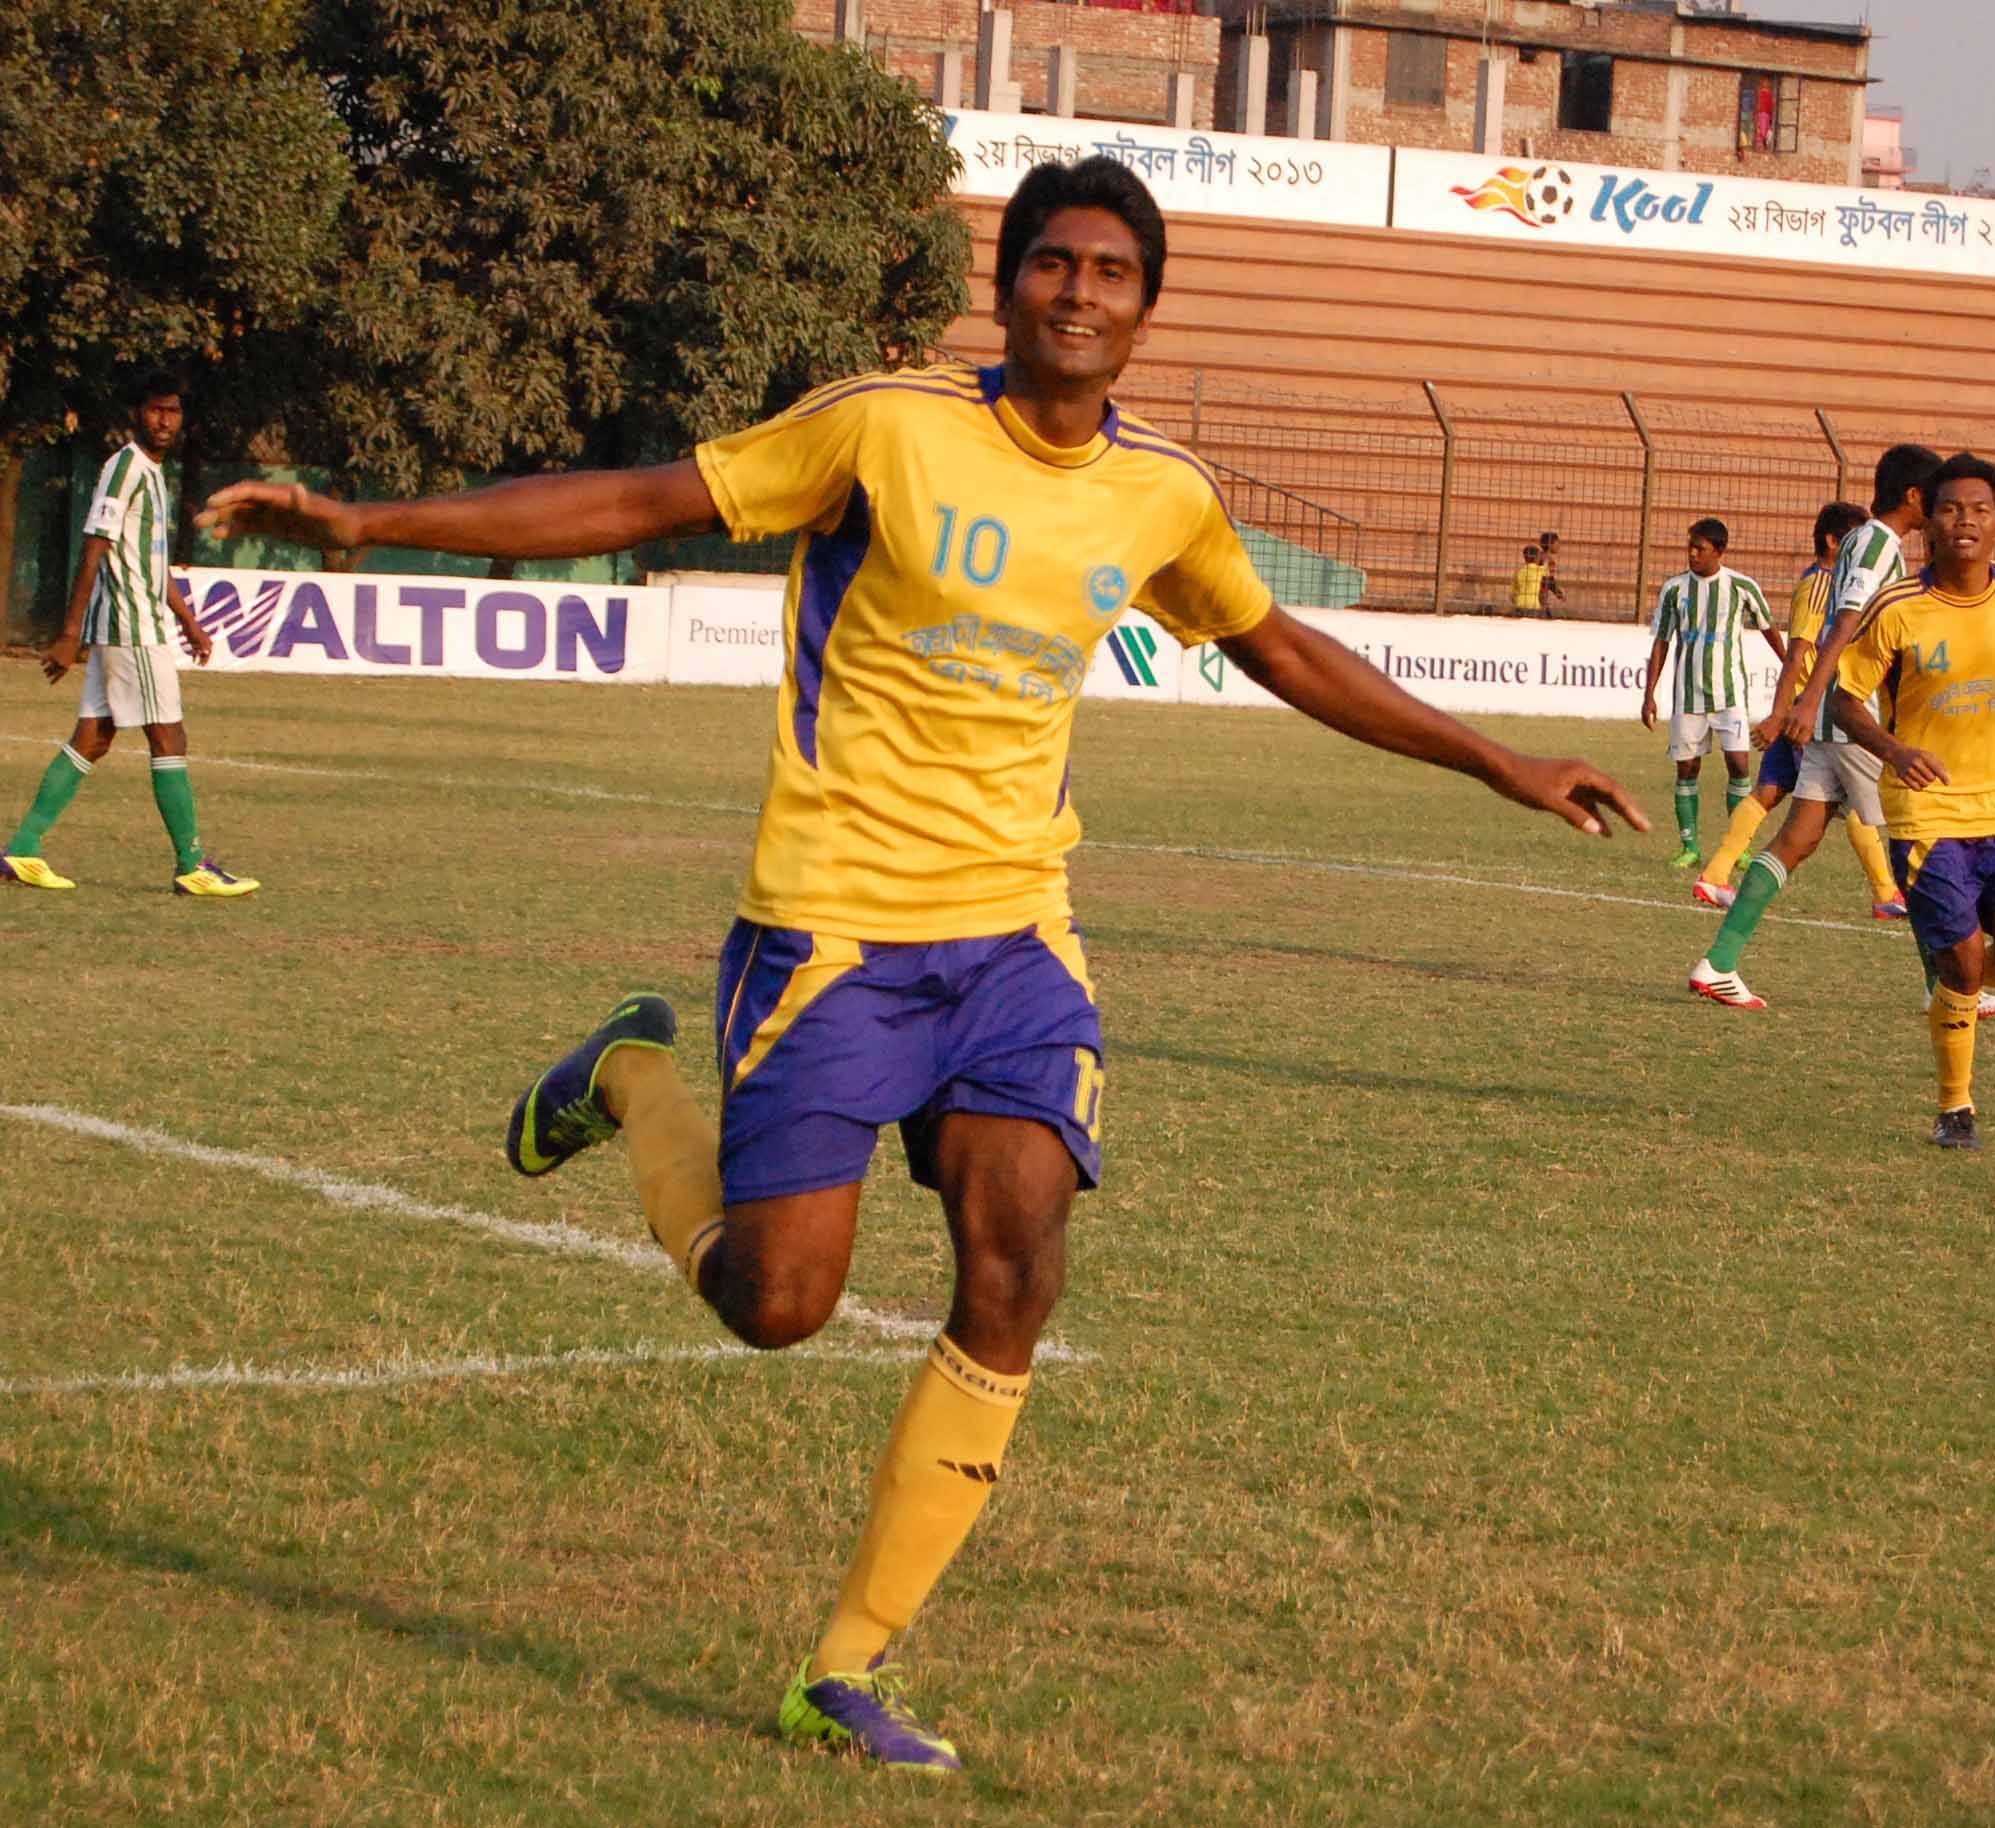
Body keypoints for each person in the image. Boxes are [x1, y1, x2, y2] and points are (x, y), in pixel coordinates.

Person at [197, 156, 1646, 1771]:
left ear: (1144, 309)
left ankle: (842, 1667)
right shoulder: (880, 425)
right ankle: (629, 1068)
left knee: (1018, 1254)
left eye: (1109, 271)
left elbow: (1283, 645)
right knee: (777, 1304)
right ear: (1008, 282)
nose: (1078, 292)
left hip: (1016, 935)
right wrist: (368, 517)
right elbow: (638, 499)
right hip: (831, 931)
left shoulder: (1160, 493)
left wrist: (1496, 762)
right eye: (1050, 263)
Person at [1827, 452, 1995, 1148]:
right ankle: (1956, 1111)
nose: (1965, 522)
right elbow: (1844, 697)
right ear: (1928, 523)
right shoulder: (1899, 607)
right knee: (1960, 965)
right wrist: (1894, 749)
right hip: (1927, 813)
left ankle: (1969, 965)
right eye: (1951, 509)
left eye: (1980, 510)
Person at [1688, 443, 1952, 1010]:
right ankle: (1948, 987)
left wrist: (1814, 702)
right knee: (1914, 847)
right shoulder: (1879, 543)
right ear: (1914, 495)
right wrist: (1809, 701)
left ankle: (1719, 963)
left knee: (1796, 839)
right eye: (1941, 495)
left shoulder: (1861, 539)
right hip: (1854, 715)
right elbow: (1848, 622)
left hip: (1834, 716)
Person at [0, 372, 257, 898]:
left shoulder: (153, 474)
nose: (165, 420)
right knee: (169, 736)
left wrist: (188, 620)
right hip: (130, 626)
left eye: (174, 411)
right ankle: (192, 864)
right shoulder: (124, 469)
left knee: (93, 739)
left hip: (136, 622)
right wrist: (69, 633)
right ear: (136, 413)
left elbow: (150, 561)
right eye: (155, 410)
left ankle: (22, 849)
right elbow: (94, 546)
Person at [1693, 500, 1907, 921]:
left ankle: (1716, 874)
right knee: (1855, 802)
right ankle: (1887, 891)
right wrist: (1782, 712)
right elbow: (1797, 653)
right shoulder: (1821, 585)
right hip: (1814, 713)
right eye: (1853, 536)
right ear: (1832, 541)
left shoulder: (1831, 582)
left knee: (1769, 792)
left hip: (1806, 709)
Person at [1639, 518, 1784, 872]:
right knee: (1687, 768)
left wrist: (1792, 667)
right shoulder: (1675, 589)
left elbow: (1769, 629)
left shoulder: (1741, 587)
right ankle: (1689, 846)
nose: (1692, 554)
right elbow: (1661, 641)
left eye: (1700, 548)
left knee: (1739, 765)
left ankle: (1739, 847)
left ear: (1719, 551)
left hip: (1729, 694)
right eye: (1690, 546)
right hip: (1688, 697)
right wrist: (1650, 694)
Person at [1510, 543, 1548, 617]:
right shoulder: (1540, 570)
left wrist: (1517, 601)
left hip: (1520, 604)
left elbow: (1512, 594)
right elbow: (1548, 567)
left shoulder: (1518, 572)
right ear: (1537, 557)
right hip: (1533, 605)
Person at [1536, 528, 1567, 614]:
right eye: (1557, 543)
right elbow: (1549, 580)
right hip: (1541, 595)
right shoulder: (1549, 561)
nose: (1559, 546)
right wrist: (1559, 594)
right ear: (1550, 544)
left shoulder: (1538, 556)